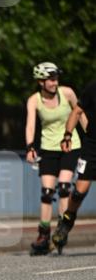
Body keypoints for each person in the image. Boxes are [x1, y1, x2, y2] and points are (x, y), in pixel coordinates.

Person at [25, 61, 81, 255]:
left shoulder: (67, 93)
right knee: (47, 192)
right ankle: (43, 234)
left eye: (56, 78)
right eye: (50, 79)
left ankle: (61, 230)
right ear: (41, 81)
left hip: (70, 145)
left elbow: (79, 113)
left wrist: (90, 133)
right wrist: (30, 146)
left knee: (64, 188)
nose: (54, 82)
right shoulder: (34, 100)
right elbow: (31, 125)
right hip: (48, 147)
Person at [51, 78, 96, 253]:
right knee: (79, 192)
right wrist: (67, 135)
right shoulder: (92, 87)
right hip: (93, 145)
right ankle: (66, 222)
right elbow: (77, 111)